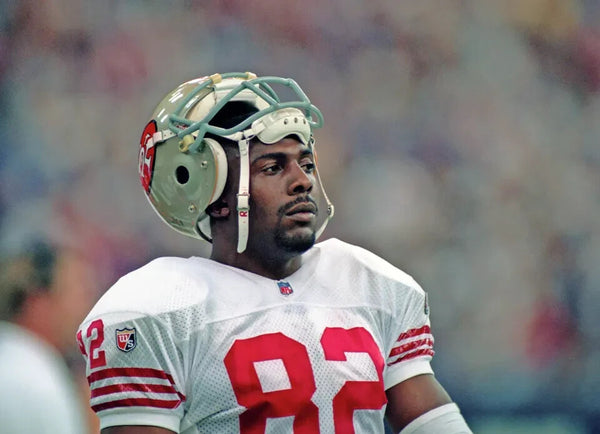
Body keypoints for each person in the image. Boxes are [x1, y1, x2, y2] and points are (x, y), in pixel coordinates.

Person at [77, 72, 473, 433]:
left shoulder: (372, 283)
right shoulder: (160, 310)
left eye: (306, 163)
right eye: (273, 167)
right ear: (208, 191)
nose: (303, 181)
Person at [0, 240, 93, 434]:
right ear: (37, 301)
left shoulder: (17, 363)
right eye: (77, 291)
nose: (87, 305)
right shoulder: (38, 382)